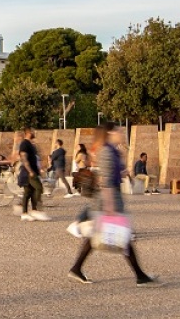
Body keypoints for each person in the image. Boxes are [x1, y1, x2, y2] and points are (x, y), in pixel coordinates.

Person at [68, 122, 162, 287]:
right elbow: (105, 180)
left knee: (98, 237)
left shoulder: (112, 150)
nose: (121, 132)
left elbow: (111, 174)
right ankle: (140, 276)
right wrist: (110, 207)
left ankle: (76, 268)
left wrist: (122, 171)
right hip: (108, 200)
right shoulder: (106, 151)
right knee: (123, 237)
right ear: (110, 133)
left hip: (109, 199)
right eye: (118, 130)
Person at [16, 128, 49, 221]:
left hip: (32, 171)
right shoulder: (24, 144)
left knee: (28, 192)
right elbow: (24, 158)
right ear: (28, 132)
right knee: (39, 188)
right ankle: (36, 211)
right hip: (28, 172)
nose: (35, 133)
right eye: (33, 131)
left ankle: (25, 213)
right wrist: (30, 171)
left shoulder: (30, 144)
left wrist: (39, 169)